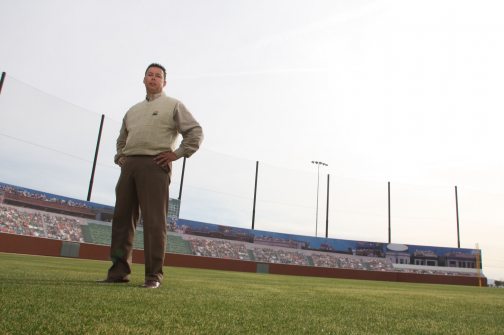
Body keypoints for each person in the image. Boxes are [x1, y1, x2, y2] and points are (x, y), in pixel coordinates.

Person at [100, 63, 203, 288]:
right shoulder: (132, 110)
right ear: (144, 79)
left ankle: (153, 276)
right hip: (129, 166)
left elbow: (195, 132)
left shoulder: (173, 105)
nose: (154, 78)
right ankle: (118, 272)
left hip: (156, 165)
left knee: (155, 222)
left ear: (164, 82)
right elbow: (121, 138)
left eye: (158, 76)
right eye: (150, 75)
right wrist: (120, 157)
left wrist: (176, 154)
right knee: (121, 221)